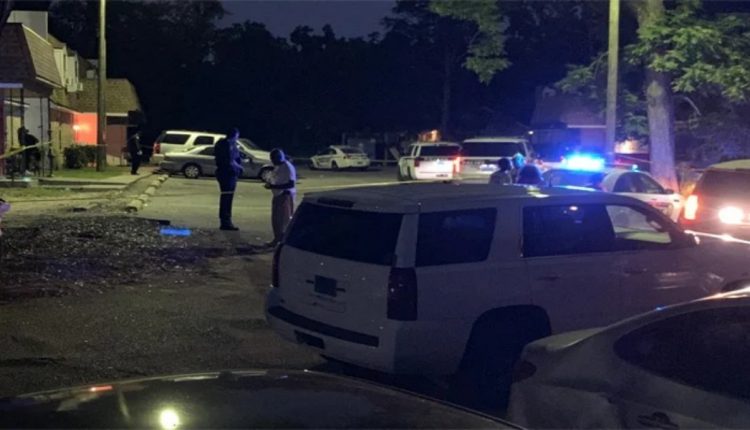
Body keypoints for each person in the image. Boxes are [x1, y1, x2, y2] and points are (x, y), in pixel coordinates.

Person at [265, 148, 296, 246]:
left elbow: (291, 184)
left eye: (273, 159)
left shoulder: (287, 167)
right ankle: (277, 239)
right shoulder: (279, 166)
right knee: (276, 220)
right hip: (278, 195)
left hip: (284, 195)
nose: (273, 161)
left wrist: (273, 186)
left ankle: (282, 242)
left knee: (283, 221)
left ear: (279, 158)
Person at [214, 127, 243, 231]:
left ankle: (225, 220)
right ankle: (226, 221)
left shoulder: (223, 144)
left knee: (226, 197)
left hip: (225, 173)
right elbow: (230, 160)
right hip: (227, 174)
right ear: (235, 135)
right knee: (227, 197)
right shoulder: (227, 145)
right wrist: (240, 167)